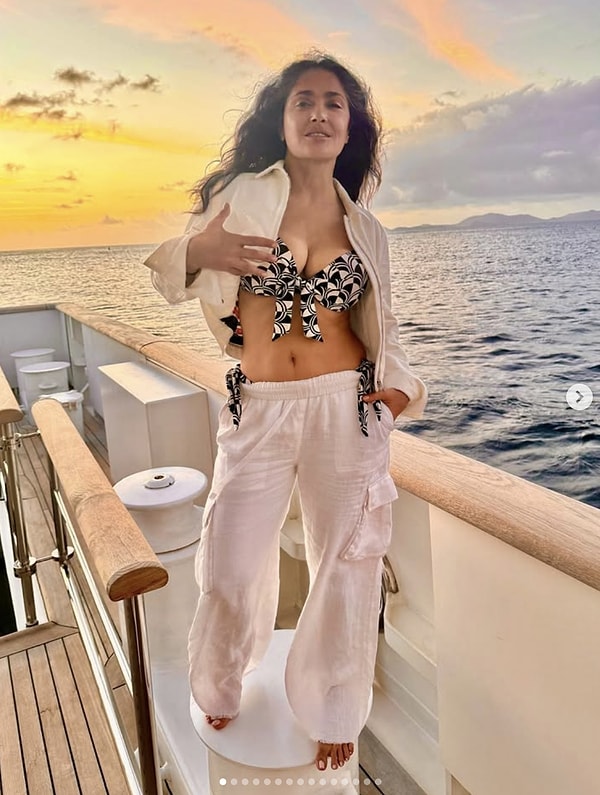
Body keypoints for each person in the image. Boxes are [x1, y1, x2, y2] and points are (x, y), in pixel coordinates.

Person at [145, 51, 427, 772]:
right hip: (261, 405)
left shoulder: (365, 227)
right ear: (282, 119)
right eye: (304, 100)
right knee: (230, 558)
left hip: (345, 407)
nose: (318, 113)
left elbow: (385, 328)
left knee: (348, 562)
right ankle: (220, 678)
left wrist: (399, 391)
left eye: (334, 103)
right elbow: (169, 277)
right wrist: (202, 247)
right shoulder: (239, 194)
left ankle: (334, 706)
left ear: (349, 127)